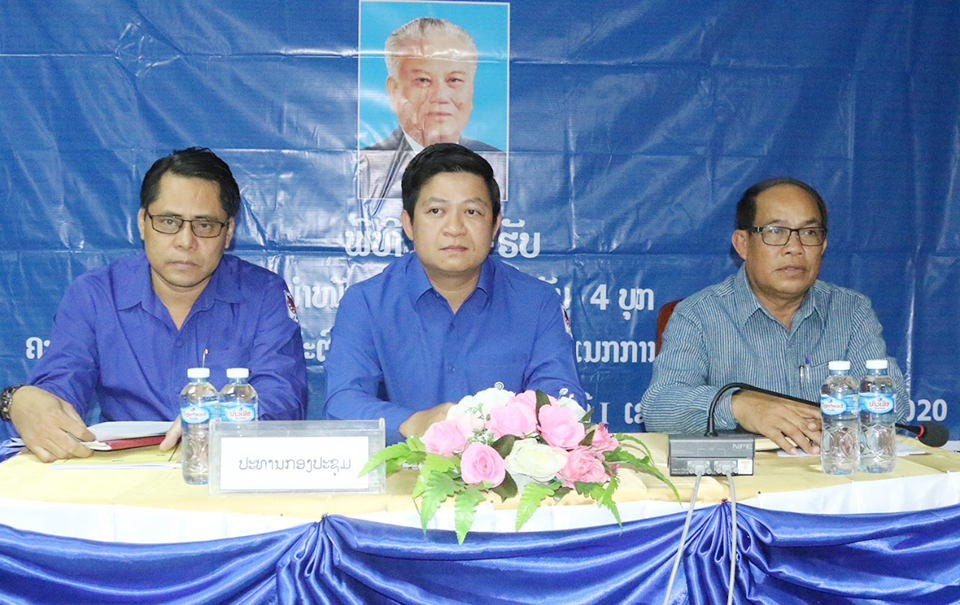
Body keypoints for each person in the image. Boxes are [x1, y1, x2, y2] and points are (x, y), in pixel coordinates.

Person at [0, 148, 308, 462]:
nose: (185, 241)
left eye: (204, 225)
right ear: (142, 223)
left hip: (223, 468)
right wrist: (23, 403)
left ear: (228, 232)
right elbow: (59, 390)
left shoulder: (264, 294)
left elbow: (283, 398)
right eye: (169, 221)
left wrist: (222, 420)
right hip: (121, 475)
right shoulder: (95, 294)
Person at [326, 143, 583, 444]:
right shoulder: (366, 303)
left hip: (507, 471)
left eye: (472, 212)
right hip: (399, 471)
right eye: (436, 211)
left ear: (495, 225)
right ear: (408, 224)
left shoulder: (537, 303)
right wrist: (412, 423)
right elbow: (342, 403)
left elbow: (562, 405)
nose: (455, 228)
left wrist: (493, 437)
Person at [640, 177, 908, 454]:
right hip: (744, 478)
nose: (795, 247)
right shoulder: (698, 314)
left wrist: (824, 418)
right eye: (776, 231)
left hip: (831, 470)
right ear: (742, 244)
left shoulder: (851, 311)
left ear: (823, 245)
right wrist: (740, 406)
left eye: (809, 233)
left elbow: (895, 406)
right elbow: (660, 407)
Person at [357, 17, 505, 201]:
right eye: (423, 80)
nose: (440, 96)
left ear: (471, 89)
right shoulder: (365, 168)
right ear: (394, 91)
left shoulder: (499, 164)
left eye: (454, 80)